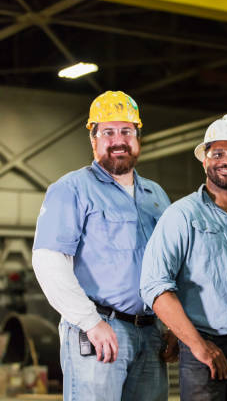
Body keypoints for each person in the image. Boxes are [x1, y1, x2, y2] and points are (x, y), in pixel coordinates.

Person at [32, 91, 170, 401]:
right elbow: (48, 261)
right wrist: (91, 322)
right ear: (93, 139)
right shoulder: (71, 189)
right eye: (108, 132)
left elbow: (170, 264)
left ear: (137, 137)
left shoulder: (156, 194)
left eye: (126, 131)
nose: (118, 139)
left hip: (151, 333)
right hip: (100, 329)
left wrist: (172, 324)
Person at [140, 114, 227, 401]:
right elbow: (154, 286)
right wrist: (197, 345)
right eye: (217, 153)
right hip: (203, 350)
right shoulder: (182, 216)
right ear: (204, 160)